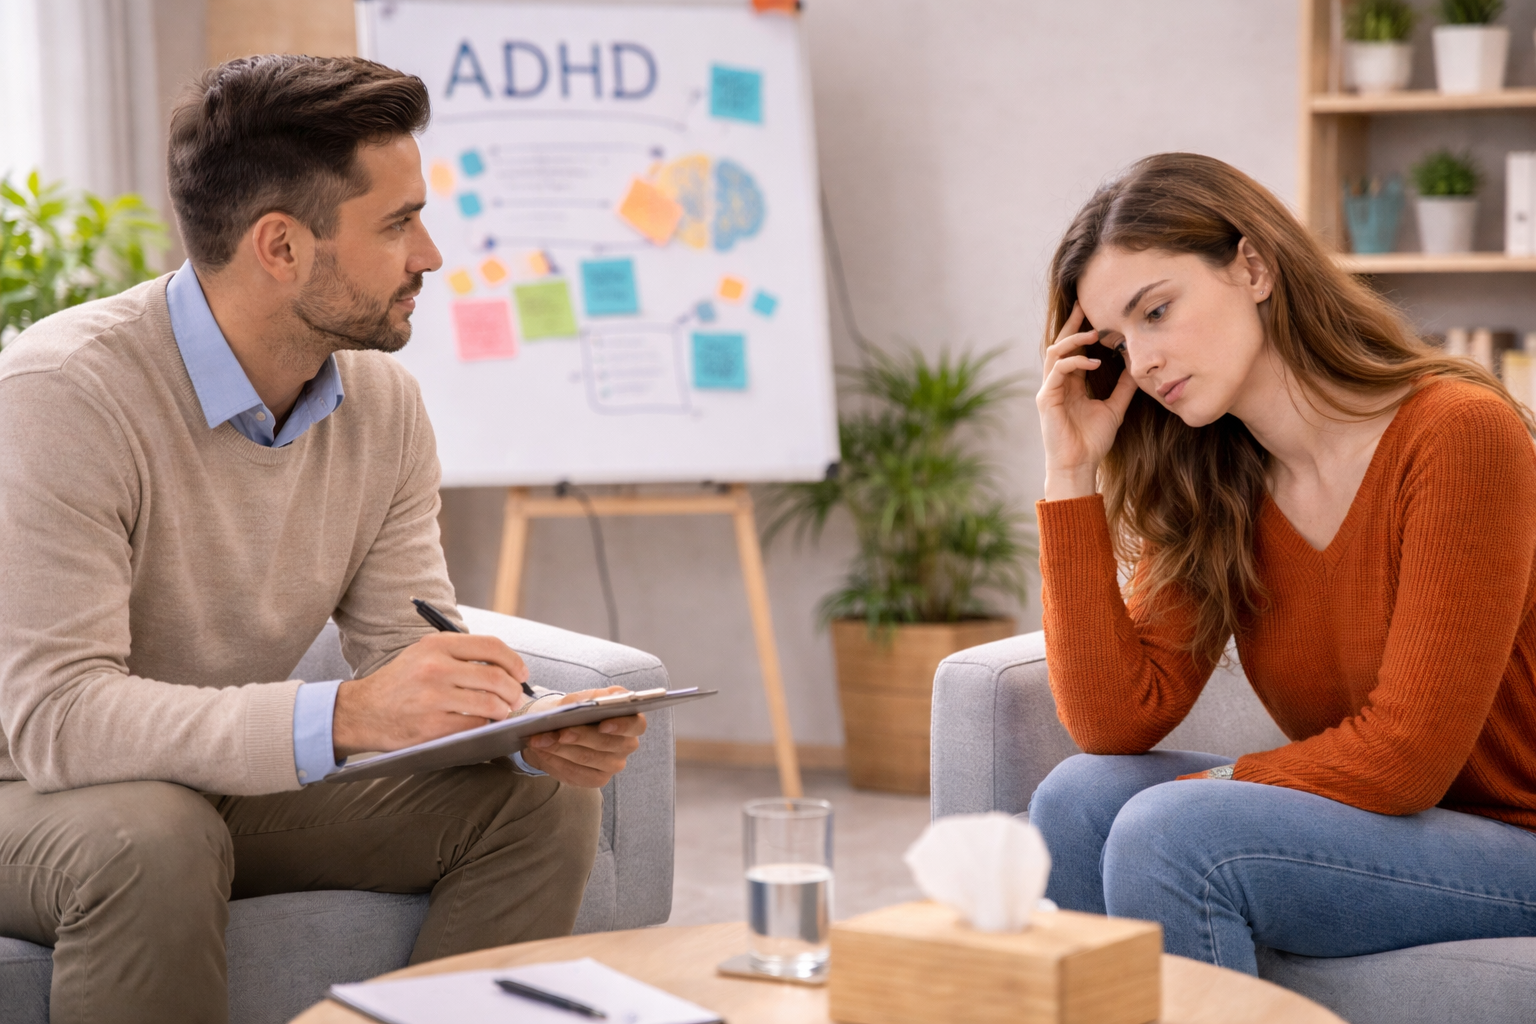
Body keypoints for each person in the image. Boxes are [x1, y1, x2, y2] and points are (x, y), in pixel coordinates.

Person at [0, 55, 647, 1024]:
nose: (429, 253)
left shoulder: (383, 407)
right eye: (397, 223)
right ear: (280, 247)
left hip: (213, 782)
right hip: (35, 787)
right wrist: (342, 716)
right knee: (157, 834)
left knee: (537, 801)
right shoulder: (66, 393)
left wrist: (520, 718)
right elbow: (57, 720)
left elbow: (401, 647)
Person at [1029, 152, 1536, 975]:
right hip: (1385, 828)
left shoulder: (1459, 433)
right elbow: (1115, 720)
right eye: (1119, 342)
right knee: (1079, 802)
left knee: (1171, 834)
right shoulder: (1216, 474)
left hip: (1517, 841)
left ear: (1254, 266)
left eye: (1157, 310)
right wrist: (1070, 474)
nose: (1145, 361)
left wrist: (1215, 786)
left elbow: (1406, 758)